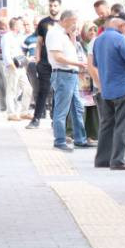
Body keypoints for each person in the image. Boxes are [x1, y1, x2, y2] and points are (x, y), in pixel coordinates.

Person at [92, 17, 125, 170]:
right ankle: (118, 160)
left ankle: (102, 159)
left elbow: (96, 64)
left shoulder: (98, 40)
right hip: (123, 87)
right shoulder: (121, 39)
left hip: (106, 88)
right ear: (122, 25)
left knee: (106, 124)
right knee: (122, 125)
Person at [45, 10, 94, 152]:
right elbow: (57, 57)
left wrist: (72, 37)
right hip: (63, 74)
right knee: (61, 109)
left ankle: (80, 139)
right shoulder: (55, 33)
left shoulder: (65, 35)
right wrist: (77, 64)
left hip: (71, 74)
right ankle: (59, 140)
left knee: (77, 107)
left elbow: (70, 52)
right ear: (66, 20)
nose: (75, 24)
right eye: (74, 21)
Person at [27, 0, 61, 129]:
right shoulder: (43, 23)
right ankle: (36, 119)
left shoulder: (64, 22)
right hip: (45, 62)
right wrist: (38, 59)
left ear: (59, 6)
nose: (53, 8)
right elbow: (39, 43)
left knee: (58, 91)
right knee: (43, 90)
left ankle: (56, 120)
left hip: (59, 62)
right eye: (51, 5)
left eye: (55, 5)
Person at [1, 17, 32, 121]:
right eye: (19, 24)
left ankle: (24, 111)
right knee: (11, 90)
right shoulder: (7, 37)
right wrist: (11, 66)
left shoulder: (19, 37)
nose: (22, 25)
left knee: (28, 88)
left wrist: (26, 62)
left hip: (20, 67)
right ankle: (11, 113)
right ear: (14, 25)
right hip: (12, 67)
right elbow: (6, 53)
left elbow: (21, 52)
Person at [77, 21, 100, 142]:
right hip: (82, 80)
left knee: (94, 106)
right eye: (89, 30)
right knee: (82, 107)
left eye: (94, 30)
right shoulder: (78, 45)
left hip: (94, 79)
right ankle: (80, 134)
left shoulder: (98, 44)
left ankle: (93, 134)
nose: (92, 33)